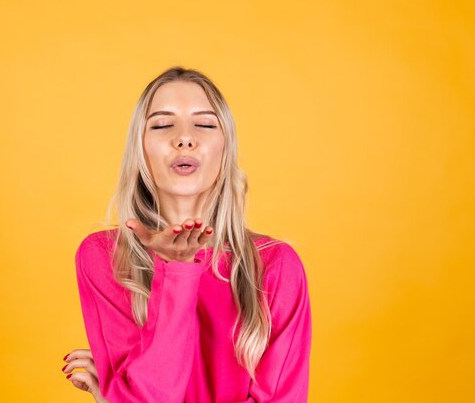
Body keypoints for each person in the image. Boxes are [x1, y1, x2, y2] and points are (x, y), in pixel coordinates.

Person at [62, 66, 312, 402]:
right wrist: (176, 271)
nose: (184, 138)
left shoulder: (276, 266)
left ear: (226, 150)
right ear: (140, 151)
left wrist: (115, 397)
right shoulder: (104, 258)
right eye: (163, 124)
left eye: (205, 124)